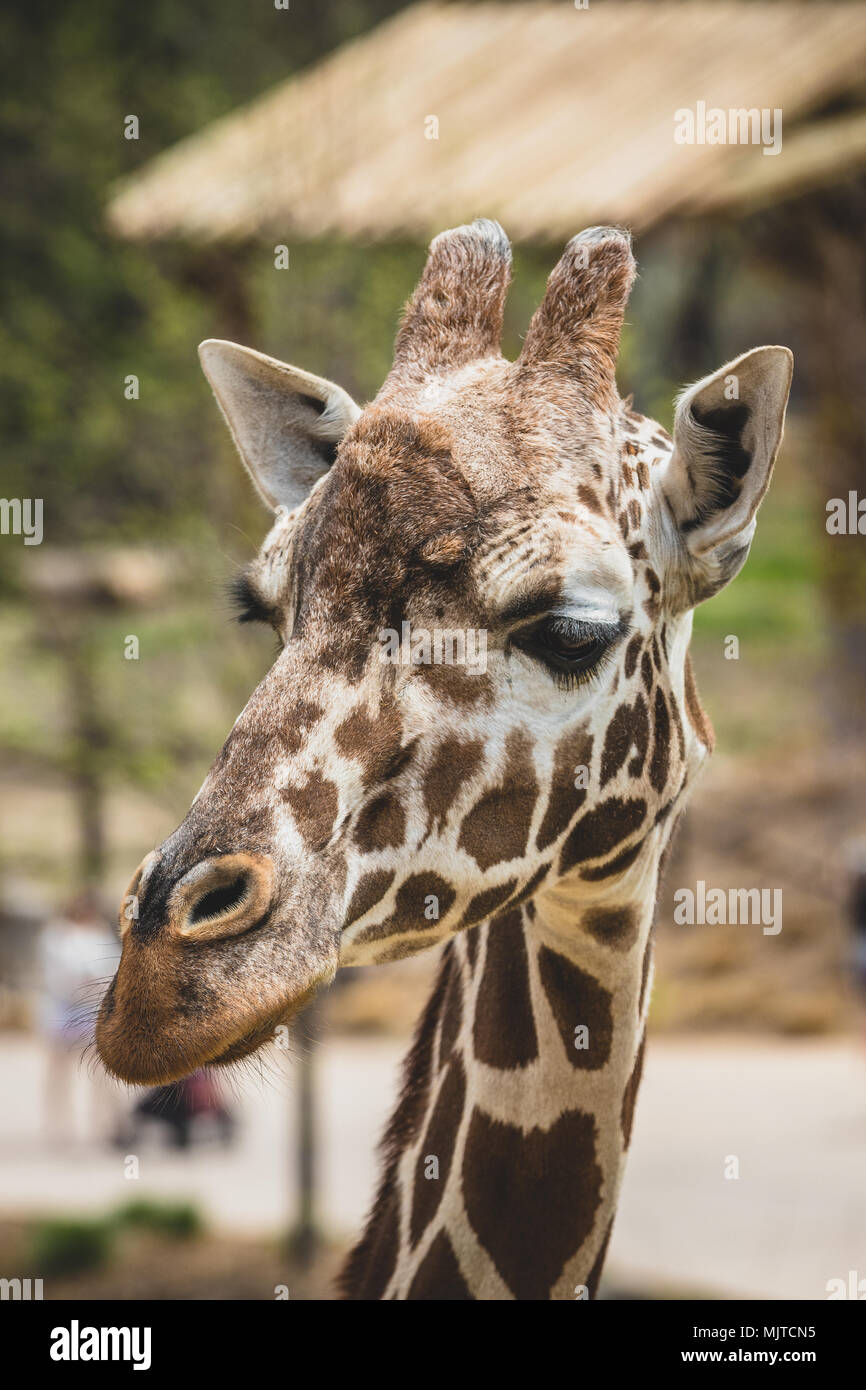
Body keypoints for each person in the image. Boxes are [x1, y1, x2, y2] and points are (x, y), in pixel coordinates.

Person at [38, 890, 120, 1145]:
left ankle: (102, 1125)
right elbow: (56, 973)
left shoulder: (101, 934)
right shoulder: (56, 935)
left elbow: (111, 968)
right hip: (63, 1009)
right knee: (59, 1074)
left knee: (101, 1074)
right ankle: (60, 1127)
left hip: (91, 1009)